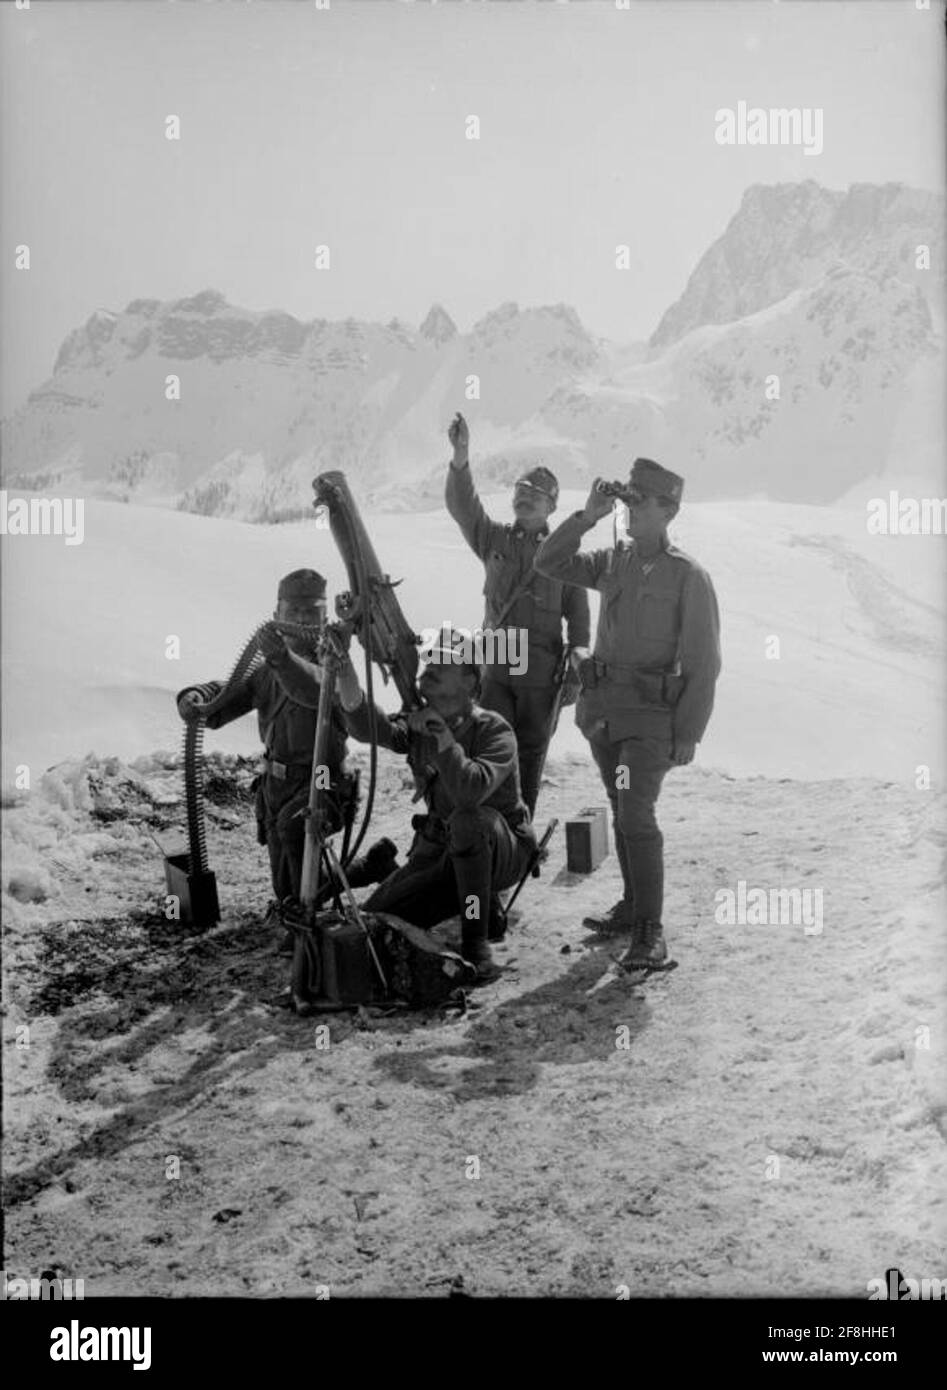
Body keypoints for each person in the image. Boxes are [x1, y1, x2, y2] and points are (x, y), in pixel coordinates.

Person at [534, 459, 721, 969]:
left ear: (668, 511)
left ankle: (649, 933)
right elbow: (548, 563)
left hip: (650, 721)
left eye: (640, 503)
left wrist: (688, 733)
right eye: (627, 501)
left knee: (637, 814)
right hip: (604, 715)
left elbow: (705, 663)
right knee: (620, 809)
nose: (630, 511)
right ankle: (633, 906)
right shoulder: (611, 561)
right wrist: (587, 515)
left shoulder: (688, 576)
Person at [176, 569, 396, 934]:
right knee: (285, 881)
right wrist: (196, 697)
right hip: (276, 786)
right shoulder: (266, 671)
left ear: (323, 618)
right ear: (277, 614)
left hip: (321, 785)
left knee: (296, 850)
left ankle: (305, 920)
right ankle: (369, 867)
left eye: (310, 613)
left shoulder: (333, 668)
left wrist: (281, 659)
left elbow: (312, 688)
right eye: (292, 611)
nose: (300, 620)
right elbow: (231, 692)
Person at [327, 627, 535, 981]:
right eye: (428, 663)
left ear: (470, 680)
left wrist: (442, 735)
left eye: (443, 662)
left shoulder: (494, 729)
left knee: (470, 821)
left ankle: (476, 945)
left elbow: (471, 792)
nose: (429, 669)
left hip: (502, 851)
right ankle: (477, 905)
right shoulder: (416, 722)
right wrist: (345, 668)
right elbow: (368, 726)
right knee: (374, 921)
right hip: (440, 855)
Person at [445, 412, 590, 817]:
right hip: (497, 664)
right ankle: (495, 828)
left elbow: (578, 617)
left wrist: (577, 666)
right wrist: (461, 458)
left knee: (530, 751)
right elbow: (463, 508)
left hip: (540, 671)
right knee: (492, 747)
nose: (525, 497)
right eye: (521, 491)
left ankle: (520, 832)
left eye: (536, 494)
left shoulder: (564, 554)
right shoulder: (494, 538)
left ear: (551, 506)